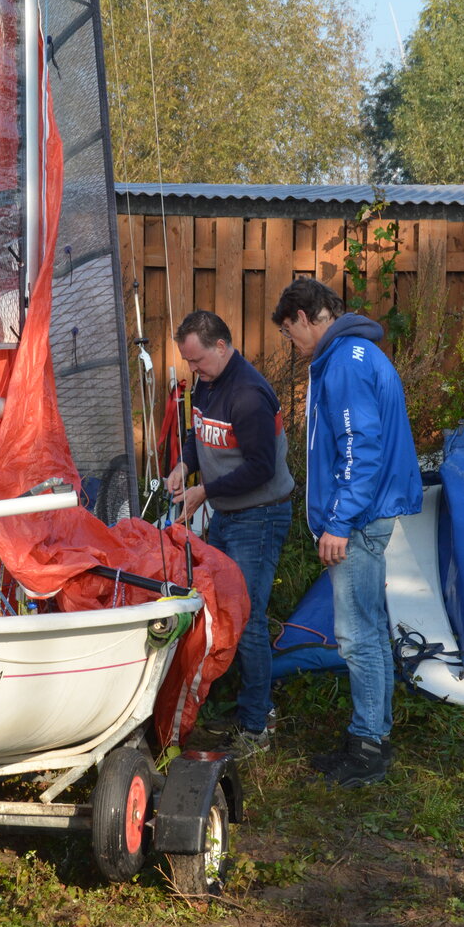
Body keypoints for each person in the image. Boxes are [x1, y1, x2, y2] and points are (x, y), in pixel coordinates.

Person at [271, 278, 422, 789]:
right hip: (364, 516)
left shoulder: (346, 362)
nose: (291, 342)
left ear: (306, 316)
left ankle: (368, 748)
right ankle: (370, 734)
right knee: (370, 632)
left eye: (289, 331)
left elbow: (361, 450)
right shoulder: (354, 355)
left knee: (357, 637)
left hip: (356, 521)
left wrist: (337, 522)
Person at [166, 310, 293, 757]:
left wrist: (205, 491)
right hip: (227, 513)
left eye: (197, 360)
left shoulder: (249, 395)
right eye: (187, 361)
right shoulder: (208, 381)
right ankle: (248, 707)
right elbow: (197, 432)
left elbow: (261, 468)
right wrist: (184, 464)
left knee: (248, 619)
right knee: (217, 610)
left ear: (221, 346)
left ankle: (256, 727)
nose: (192, 369)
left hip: (259, 517)